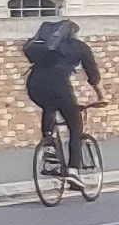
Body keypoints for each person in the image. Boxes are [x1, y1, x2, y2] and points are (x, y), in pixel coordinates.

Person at [21, 14, 102, 168]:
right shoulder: (79, 47)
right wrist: (101, 96)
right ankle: (73, 169)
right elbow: (94, 76)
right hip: (59, 87)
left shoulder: (44, 47)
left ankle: (49, 144)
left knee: (49, 106)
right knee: (75, 126)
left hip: (34, 87)